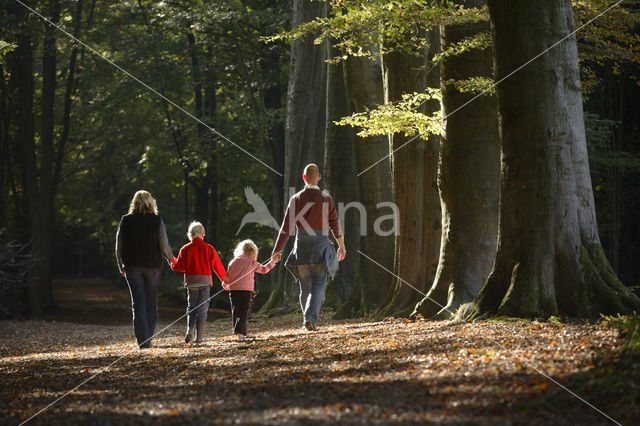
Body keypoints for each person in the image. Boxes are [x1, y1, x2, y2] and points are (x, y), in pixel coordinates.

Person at [272, 163, 346, 331]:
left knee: (304, 286)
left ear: (304, 177)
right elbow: (335, 224)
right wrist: (342, 246)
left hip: (301, 248)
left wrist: (277, 250)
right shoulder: (327, 198)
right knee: (319, 283)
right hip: (320, 247)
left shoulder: (296, 198)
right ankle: (310, 319)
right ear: (319, 177)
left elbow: (286, 227)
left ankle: (307, 319)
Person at [116, 190, 176, 349]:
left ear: (134, 203)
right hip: (152, 267)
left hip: (131, 266)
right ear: (151, 202)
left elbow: (119, 246)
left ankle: (143, 340)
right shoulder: (157, 221)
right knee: (151, 302)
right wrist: (173, 260)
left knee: (138, 303)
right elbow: (164, 246)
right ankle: (147, 337)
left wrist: (120, 264)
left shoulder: (126, 220)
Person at [171, 221, 226, 344]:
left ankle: (189, 329)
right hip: (205, 283)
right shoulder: (208, 248)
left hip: (192, 283)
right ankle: (199, 338)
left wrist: (173, 263)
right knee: (202, 308)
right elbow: (216, 265)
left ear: (189, 235)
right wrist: (224, 280)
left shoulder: (185, 249)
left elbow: (180, 266)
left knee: (192, 306)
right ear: (203, 234)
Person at [223, 240, 279, 339]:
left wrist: (225, 285)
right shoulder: (251, 262)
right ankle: (241, 333)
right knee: (243, 311)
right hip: (245, 291)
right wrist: (273, 261)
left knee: (235, 310)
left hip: (233, 291)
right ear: (251, 252)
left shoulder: (232, 262)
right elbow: (264, 269)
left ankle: (237, 332)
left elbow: (227, 278)